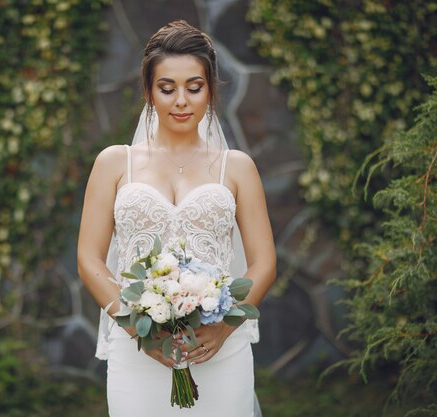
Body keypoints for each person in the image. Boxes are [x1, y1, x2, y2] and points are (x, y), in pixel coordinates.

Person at [77, 20, 276, 416]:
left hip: (218, 349)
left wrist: (225, 326)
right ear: (149, 91)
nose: (181, 100)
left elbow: (265, 262)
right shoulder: (115, 163)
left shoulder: (236, 168)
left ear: (211, 90)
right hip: (137, 352)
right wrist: (137, 329)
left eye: (194, 87)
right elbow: (88, 258)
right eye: (167, 88)